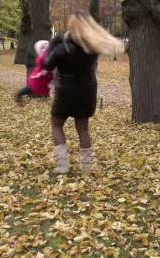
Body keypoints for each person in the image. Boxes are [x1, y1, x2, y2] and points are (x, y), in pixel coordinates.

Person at [43, 11, 121, 174]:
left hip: (65, 91)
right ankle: (86, 166)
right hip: (87, 90)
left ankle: (63, 165)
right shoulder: (92, 47)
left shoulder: (62, 48)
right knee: (83, 128)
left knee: (56, 125)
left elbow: (47, 65)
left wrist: (52, 45)